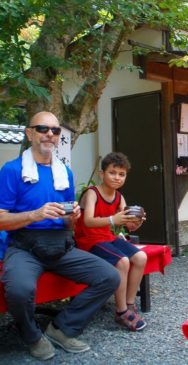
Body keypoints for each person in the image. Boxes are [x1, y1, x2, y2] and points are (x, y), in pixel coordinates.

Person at [0, 112, 120, 361]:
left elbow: (67, 218)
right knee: (19, 289)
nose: (50, 134)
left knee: (109, 276)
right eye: (43, 128)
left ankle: (61, 328)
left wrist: (72, 216)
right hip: (25, 247)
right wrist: (35, 214)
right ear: (29, 133)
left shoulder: (63, 171)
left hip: (61, 245)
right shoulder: (12, 170)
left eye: (55, 131)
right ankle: (32, 335)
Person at [74, 152, 148, 331]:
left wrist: (136, 221)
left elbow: (128, 226)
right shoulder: (92, 193)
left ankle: (129, 303)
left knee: (141, 257)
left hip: (106, 237)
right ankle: (121, 312)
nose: (117, 177)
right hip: (88, 240)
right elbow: (88, 221)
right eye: (112, 173)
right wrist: (113, 219)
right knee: (121, 261)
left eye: (121, 174)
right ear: (102, 174)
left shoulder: (119, 197)